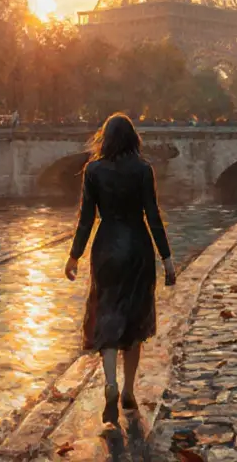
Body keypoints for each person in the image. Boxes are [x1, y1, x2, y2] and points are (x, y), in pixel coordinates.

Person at [63, 112, 175, 427]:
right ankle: (128, 391)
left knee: (107, 314)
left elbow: (86, 219)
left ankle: (110, 384)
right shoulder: (144, 170)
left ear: (105, 139)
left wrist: (74, 256)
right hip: (138, 246)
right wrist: (167, 259)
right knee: (135, 318)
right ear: (133, 139)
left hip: (106, 248)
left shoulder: (93, 170)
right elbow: (153, 216)